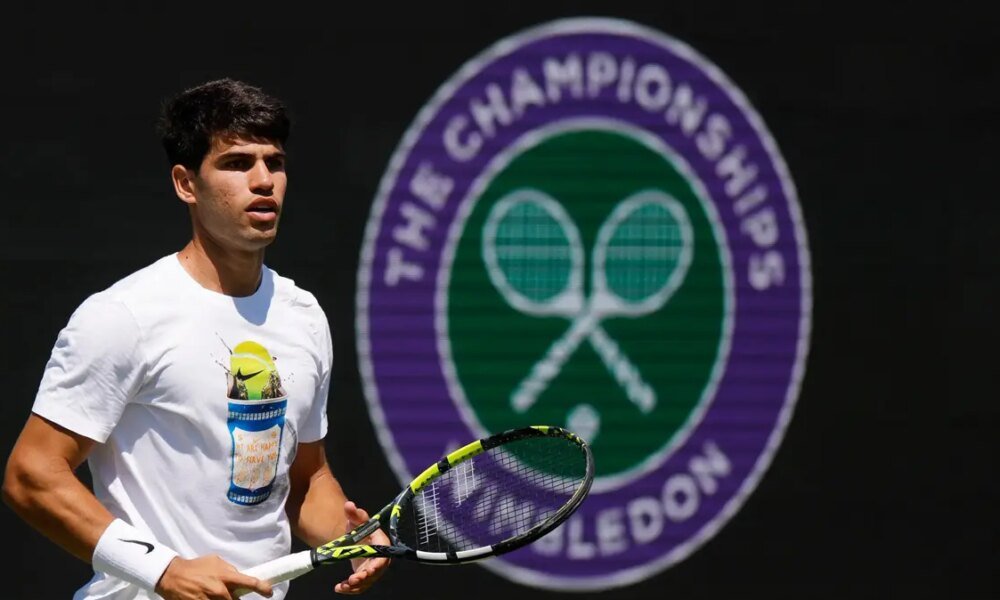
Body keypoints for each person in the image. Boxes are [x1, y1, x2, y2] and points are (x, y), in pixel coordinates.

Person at [2, 78, 390, 599]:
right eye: (237, 163)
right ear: (186, 184)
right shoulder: (123, 316)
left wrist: (351, 539)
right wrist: (163, 570)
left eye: (274, 163)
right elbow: (31, 475)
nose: (263, 181)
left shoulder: (303, 315)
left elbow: (305, 480)